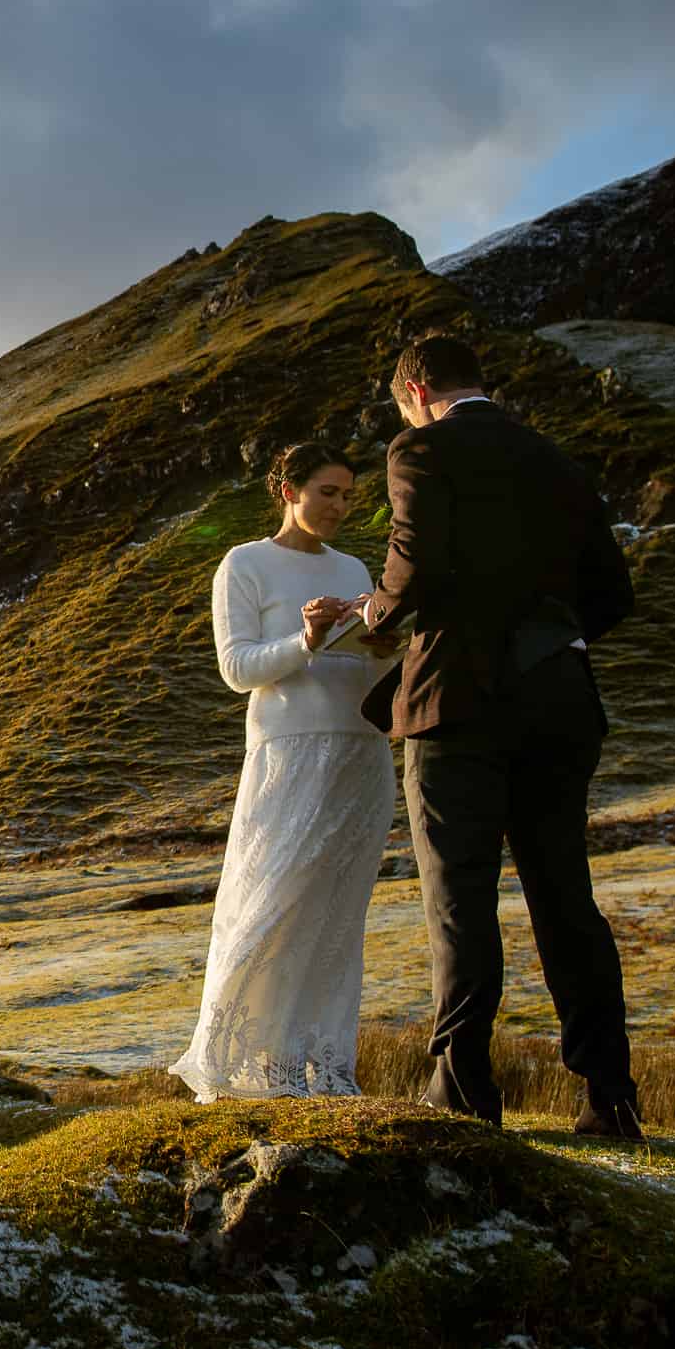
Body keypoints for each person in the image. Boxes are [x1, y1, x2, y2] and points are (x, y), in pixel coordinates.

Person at [360, 333, 642, 1139]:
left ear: (416, 390)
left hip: (459, 701)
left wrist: (374, 614)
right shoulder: (554, 458)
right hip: (560, 700)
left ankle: (463, 1088)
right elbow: (613, 591)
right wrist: (545, 634)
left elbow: (413, 564)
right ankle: (609, 1096)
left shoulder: (419, 448)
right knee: (565, 897)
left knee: (460, 896)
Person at [170, 443, 401, 1102]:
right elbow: (237, 668)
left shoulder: (355, 565)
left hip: (360, 752)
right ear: (286, 490)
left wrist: (383, 648)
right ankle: (245, 1065)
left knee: (335, 920)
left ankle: (321, 1067)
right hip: (288, 753)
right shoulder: (244, 564)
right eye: (327, 491)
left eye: (347, 494)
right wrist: (305, 639)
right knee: (266, 908)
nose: (339, 505)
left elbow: (367, 671)